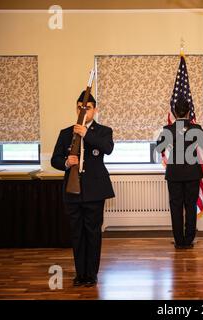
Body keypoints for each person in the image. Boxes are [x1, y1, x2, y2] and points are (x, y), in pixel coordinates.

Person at [51, 91, 115, 287]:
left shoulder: (103, 131)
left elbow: (108, 148)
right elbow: (54, 160)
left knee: (93, 233)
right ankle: (81, 274)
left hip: (94, 191)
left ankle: (91, 274)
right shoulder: (65, 132)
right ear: (76, 109)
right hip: (72, 191)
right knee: (77, 234)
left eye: (87, 107)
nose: (83, 110)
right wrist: (66, 162)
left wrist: (86, 134)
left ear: (94, 110)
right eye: (80, 107)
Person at [155, 99, 203, 249]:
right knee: (190, 206)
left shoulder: (168, 129)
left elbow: (159, 148)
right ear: (188, 112)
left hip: (174, 173)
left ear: (174, 113)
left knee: (176, 207)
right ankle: (188, 240)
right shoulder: (196, 128)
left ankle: (179, 241)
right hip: (192, 173)